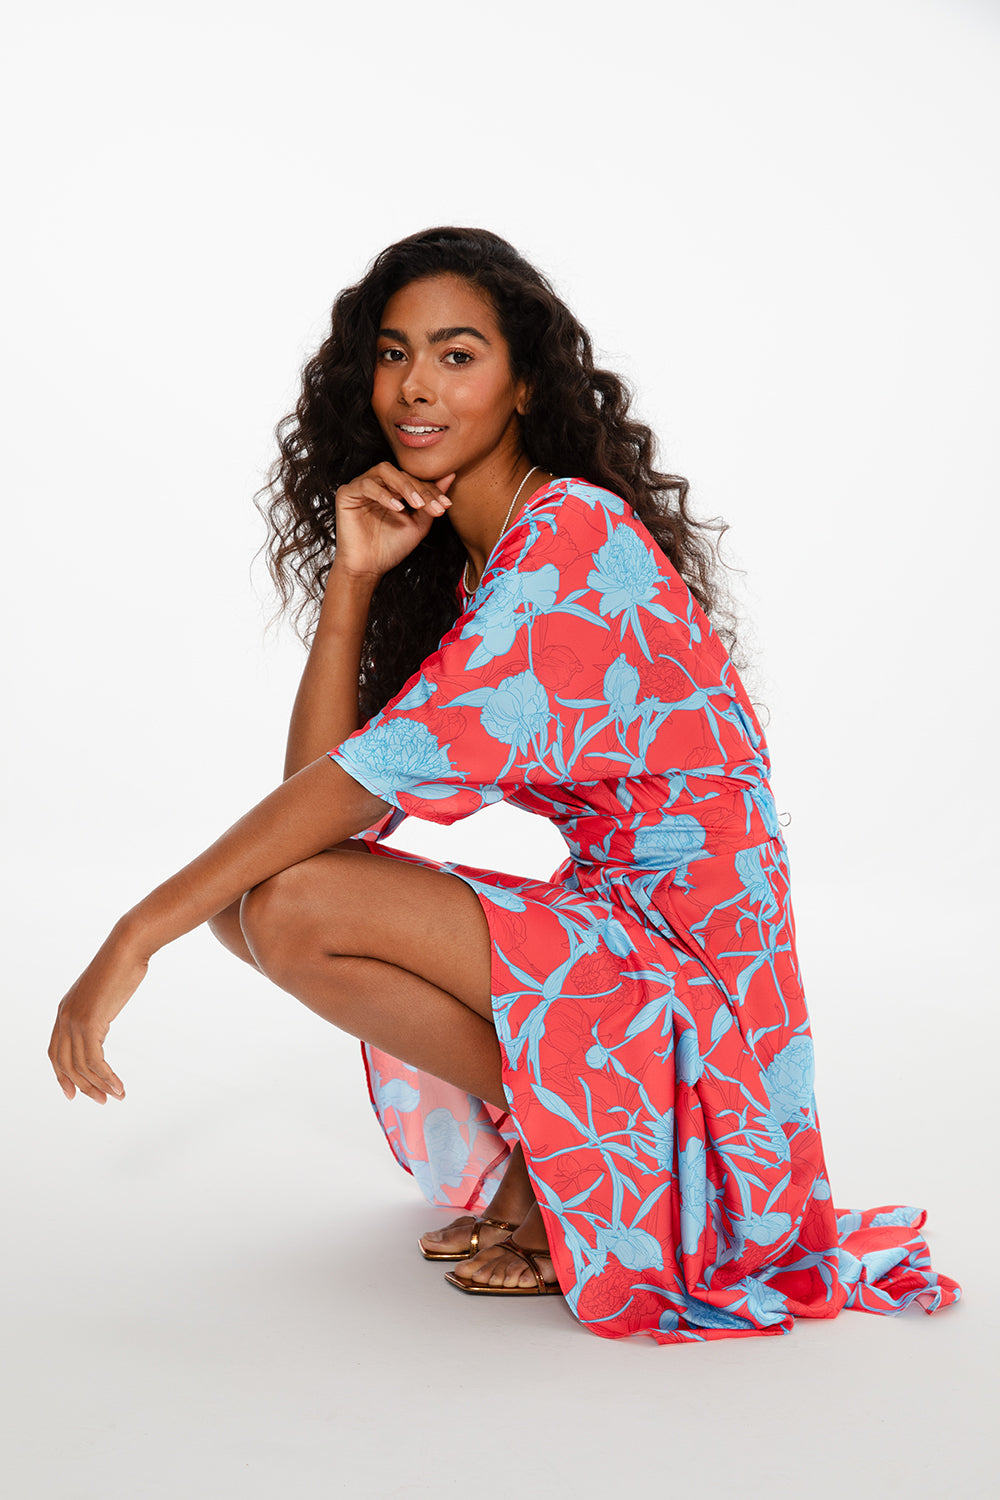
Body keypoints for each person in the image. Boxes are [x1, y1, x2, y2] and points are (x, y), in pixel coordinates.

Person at [48, 226, 961, 1344]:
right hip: (621, 921)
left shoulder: (571, 538)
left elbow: (334, 811)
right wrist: (352, 579)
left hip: (698, 962)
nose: (415, 386)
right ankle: (579, 1144)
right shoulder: (483, 557)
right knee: (258, 907)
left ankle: (597, 1158)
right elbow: (320, 802)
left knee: (287, 904)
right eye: (393, 354)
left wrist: (133, 934)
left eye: (457, 354)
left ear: (525, 381)